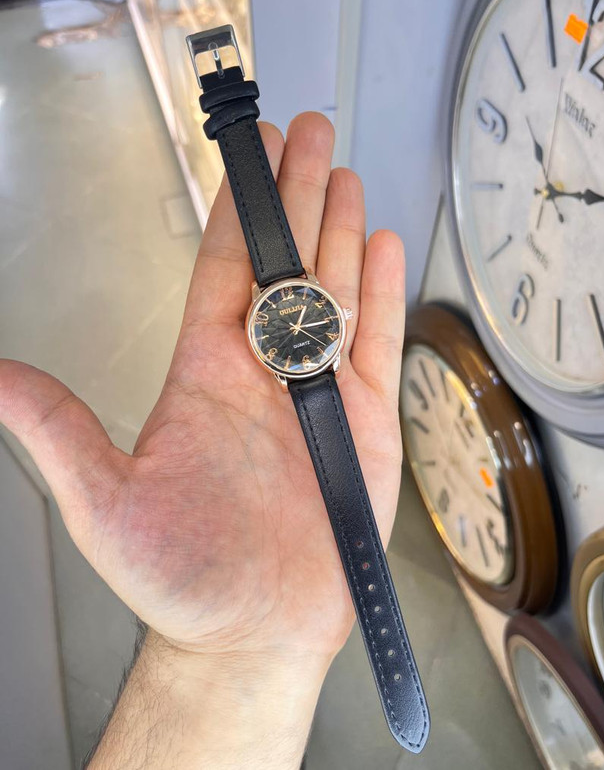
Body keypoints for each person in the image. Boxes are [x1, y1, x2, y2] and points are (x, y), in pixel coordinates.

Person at [0, 112, 407, 769]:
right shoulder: (285, 339)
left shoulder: (307, 333)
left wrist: (229, 656)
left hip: (313, 372)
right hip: (308, 374)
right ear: (263, 339)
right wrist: (232, 653)